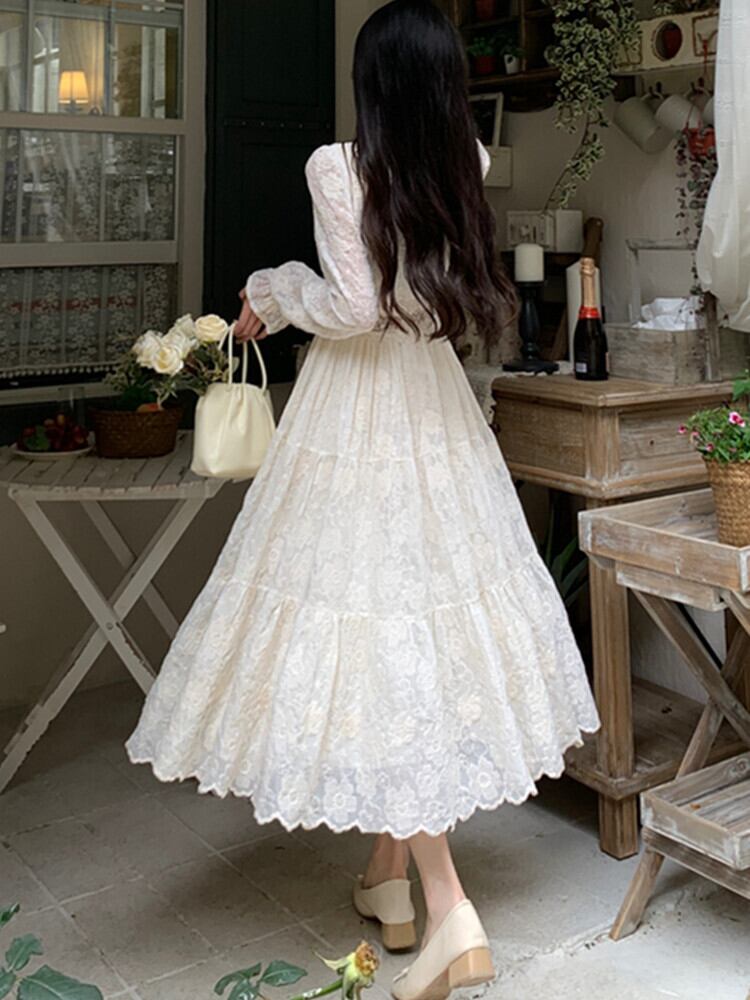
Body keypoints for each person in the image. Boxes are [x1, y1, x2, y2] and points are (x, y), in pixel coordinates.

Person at [126, 2, 599, 997]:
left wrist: (274, 286)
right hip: (433, 405)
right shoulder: (464, 158)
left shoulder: (337, 167)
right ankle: (389, 877)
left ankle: (450, 908)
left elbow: (353, 306)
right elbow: (407, 297)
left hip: (357, 415)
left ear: (373, 80)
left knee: (380, 636)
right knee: (411, 624)